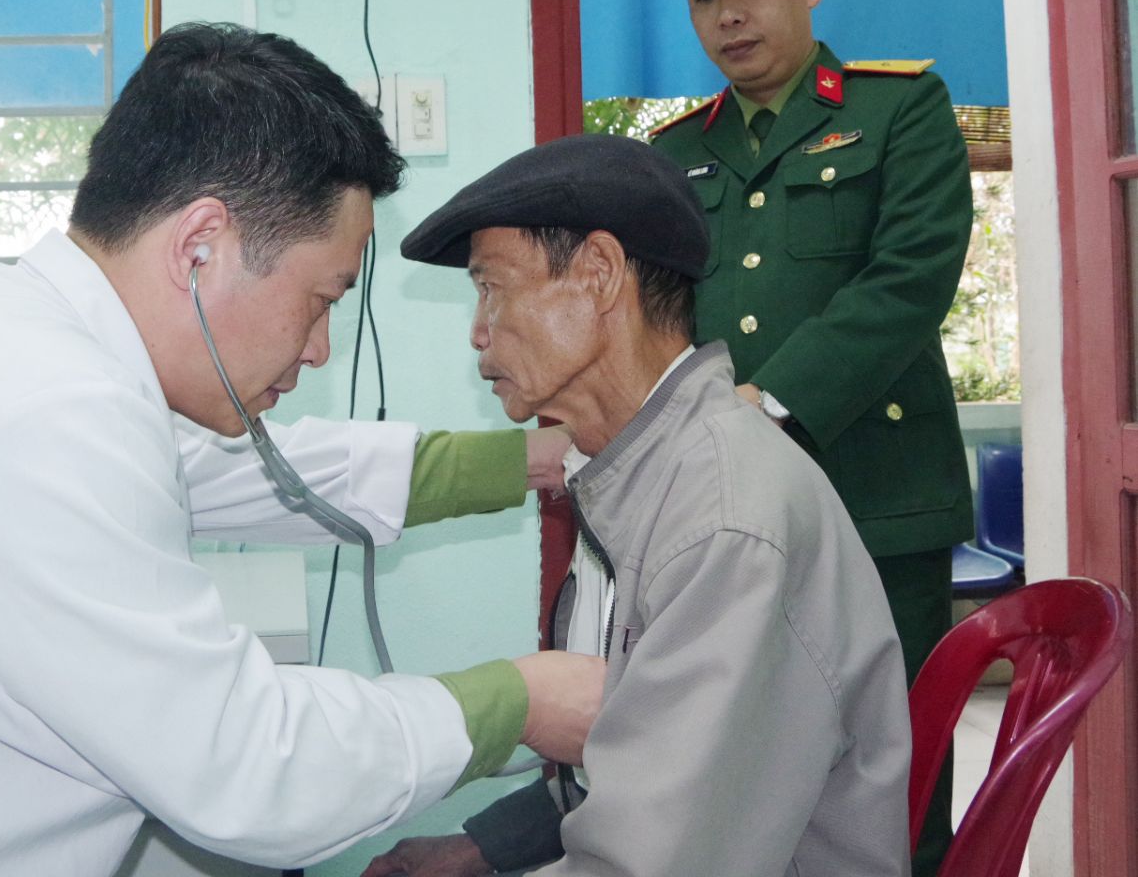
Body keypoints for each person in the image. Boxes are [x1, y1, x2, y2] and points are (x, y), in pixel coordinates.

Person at [0, 23, 604, 877]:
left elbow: (267, 474)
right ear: (200, 246)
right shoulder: (41, 417)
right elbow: (247, 766)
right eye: (320, 299)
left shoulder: (18, 336)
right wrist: (515, 701)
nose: (318, 349)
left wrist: (535, 461)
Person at [376, 133, 910, 876]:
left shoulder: (720, 517)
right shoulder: (638, 468)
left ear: (599, 274)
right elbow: (645, 755)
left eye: (491, 287)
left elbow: (661, 857)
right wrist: (487, 846)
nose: (478, 331)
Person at [645, 0, 972, 877]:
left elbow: (909, 279)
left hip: (879, 500)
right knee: (749, 771)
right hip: (728, 518)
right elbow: (655, 320)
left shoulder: (899, 108)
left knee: (897, 780)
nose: (729, 15)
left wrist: (770, 403)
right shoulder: (673, 154)